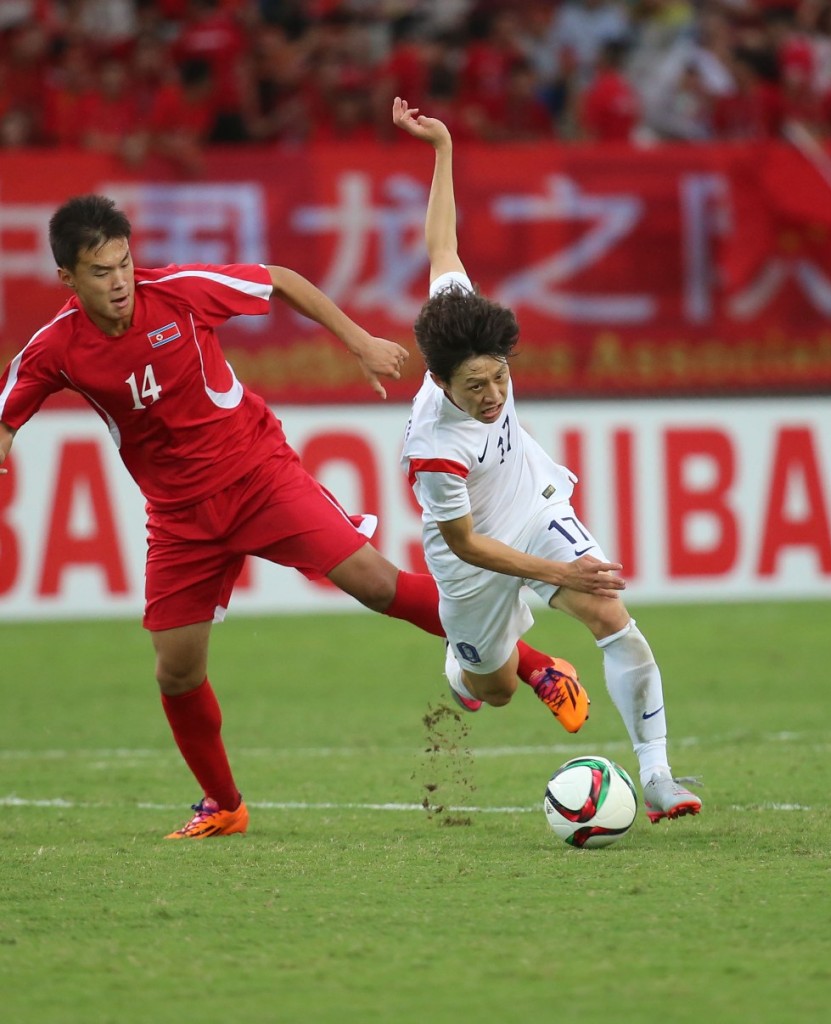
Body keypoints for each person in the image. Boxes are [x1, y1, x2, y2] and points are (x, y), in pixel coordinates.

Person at [0, 194, 587, 839]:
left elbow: (279, 280)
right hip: (178, 518)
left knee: (376, 584)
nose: (119, 283)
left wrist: (359, 341)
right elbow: (8, 411)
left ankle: (537, 665)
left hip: (258, 474)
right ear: (67, 279)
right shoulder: (54, 346)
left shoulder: (179, 291)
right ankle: (224, 804)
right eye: (100, 272)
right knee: (176, 669)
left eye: (124, 263)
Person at [392, 97, 702, 824]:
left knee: (612, 614)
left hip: (533, 508)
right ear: (439, 382)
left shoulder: (460, 319)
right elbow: (467, 540)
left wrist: (441, 149)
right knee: (491, 689)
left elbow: (442, 247)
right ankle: (471, 669)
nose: (497, 393)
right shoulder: (431, 447)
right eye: (477, 387)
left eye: (502, 374)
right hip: (470, 566)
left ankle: (658, 777)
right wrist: (554, 575)